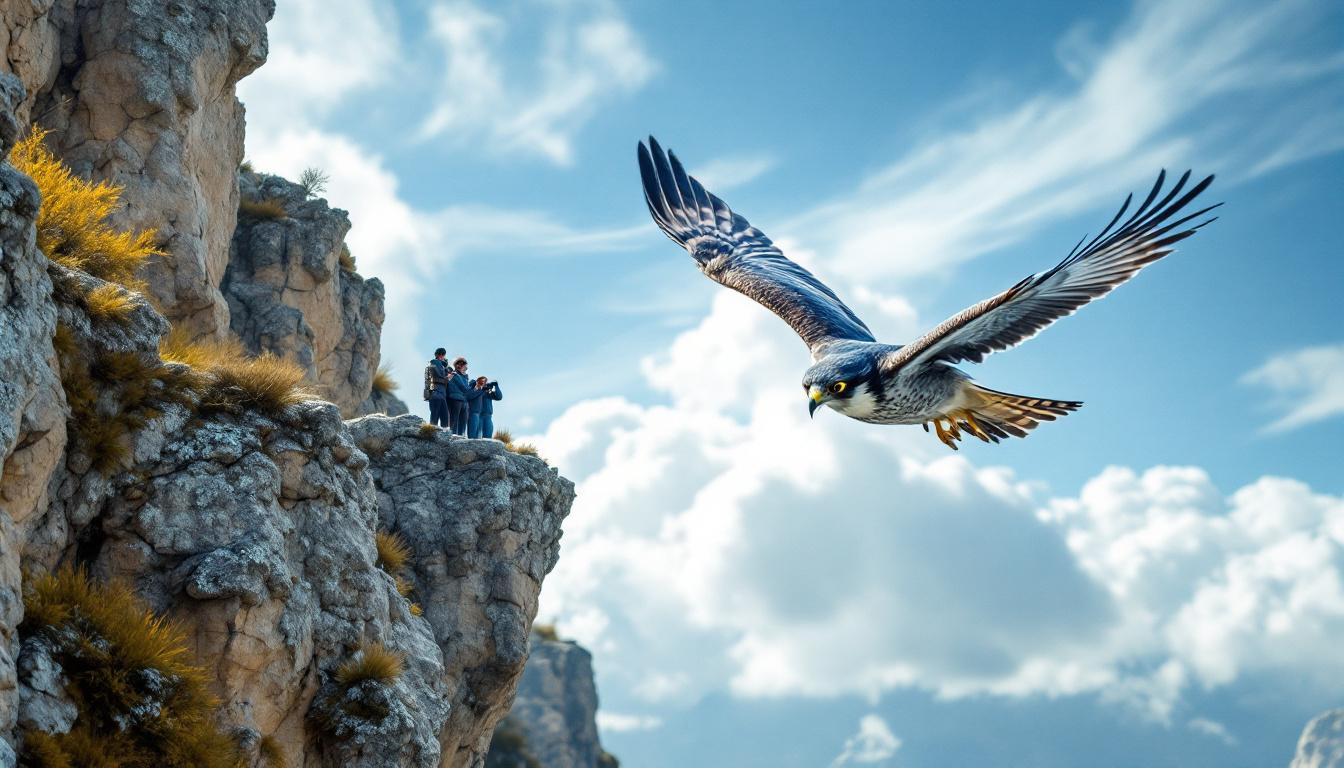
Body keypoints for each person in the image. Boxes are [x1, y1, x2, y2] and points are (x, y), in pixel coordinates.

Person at [445, 356, 483, 436]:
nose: (465, 367)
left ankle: (461, 437)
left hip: (464, 401)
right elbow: (464, 388)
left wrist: (474, 387)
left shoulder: (464, 377)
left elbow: (467, 390)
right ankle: (452, 436)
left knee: (463, 421)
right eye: (463, 364)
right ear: (458, 365)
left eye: (465, 364)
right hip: (455, 399)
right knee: (454, 420)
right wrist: (474, 387)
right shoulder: (454, 375)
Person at [423, 348, 451, 428]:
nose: (443, 357)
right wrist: (447, 377)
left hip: (440, 394)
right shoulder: (434, 363)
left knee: (444, 416)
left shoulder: (439, 365)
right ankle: (431, 432)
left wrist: (445, 367)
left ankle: (443, 433)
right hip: (436, 393)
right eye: (442, 355)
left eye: (443, 355)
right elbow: (438, 377)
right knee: (435, 416)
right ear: (439, 355)